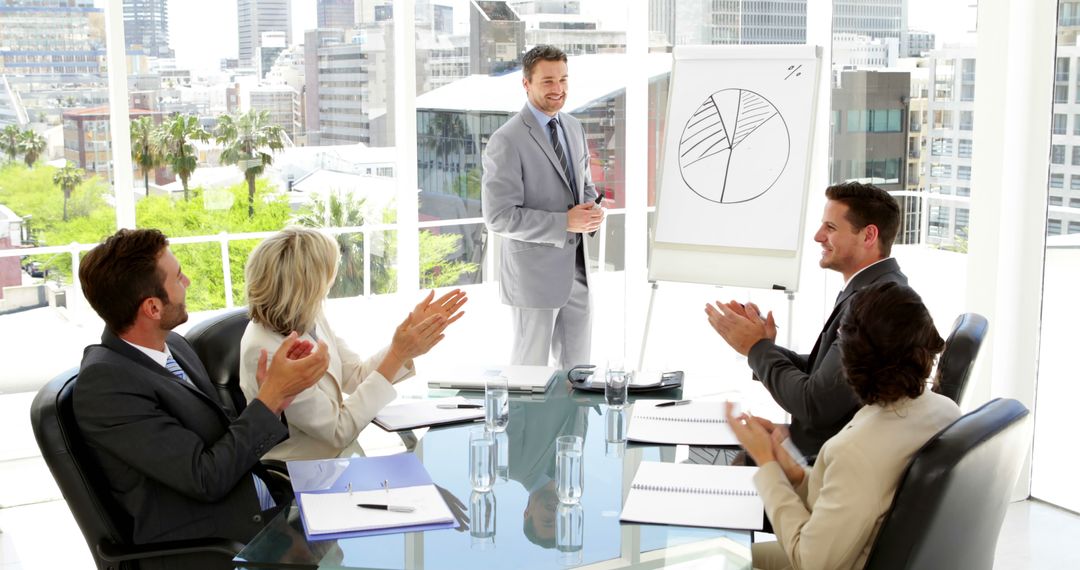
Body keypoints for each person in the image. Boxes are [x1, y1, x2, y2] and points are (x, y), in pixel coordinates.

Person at [74, 228, 329, 569]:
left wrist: (275, 396)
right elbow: (205, 478)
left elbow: (221, 438)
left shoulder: (173, 347)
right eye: (178, 278)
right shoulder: (107, 386)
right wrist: (269, 399)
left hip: (265, 507)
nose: (188, 281)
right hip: (215, 544)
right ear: (152, 307)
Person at [726, 281, 961, 570]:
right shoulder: (943, 410)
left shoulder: (857, 449)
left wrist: (766, 463)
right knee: (729, 553)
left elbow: (810, 561)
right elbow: (847, 494)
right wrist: (790, 468)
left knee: (715, 556)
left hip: (839, 560)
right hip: (864, 551)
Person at [705, 182, 906, 457]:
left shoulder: (876, 303)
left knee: (709, 456)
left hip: (823, 463)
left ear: (869, 235)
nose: (817, 236)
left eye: (831, 228)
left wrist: (757, 349)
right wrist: (763, 346)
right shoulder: (874, 289)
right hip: (823, 446)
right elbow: (823, 375)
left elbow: (815, 405)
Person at [239, 227, 467, 461]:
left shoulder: (309, 316)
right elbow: (338, 431)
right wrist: (397, 355)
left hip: (341, 460)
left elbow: (356, 376)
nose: (331, 281)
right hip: (303, 472)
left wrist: (406, 340)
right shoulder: (265, 350)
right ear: (308, 285)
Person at [482, 44, 604, 371]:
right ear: (527, 84)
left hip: (577, 274)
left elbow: (584, 187)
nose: (559, 89)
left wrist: (592, 210)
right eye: (548, 81)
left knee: (579, 375)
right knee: (529, 377)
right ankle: (526, 426)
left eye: (563, 79)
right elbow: (498, 216)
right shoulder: (506, 140)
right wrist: (564, 222)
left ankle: (571, 425)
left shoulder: (574, 128)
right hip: (533, 280)